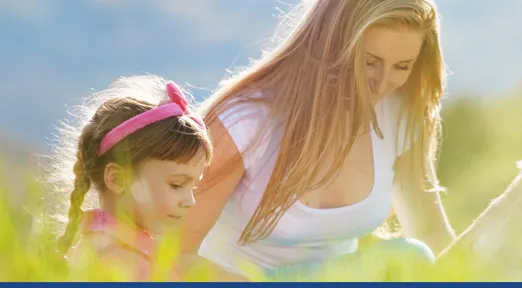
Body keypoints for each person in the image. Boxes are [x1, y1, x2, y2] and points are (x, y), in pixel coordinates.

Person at [182, 0, 455, 281]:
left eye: (402, 66)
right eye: (370, 62)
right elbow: (173, 252)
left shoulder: (400, 117)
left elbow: (430, 231)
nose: (383, 82)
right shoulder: (246, 121)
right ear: (332, 46)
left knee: (411, 260)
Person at [45, 76, 232, 281]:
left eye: (192, 187)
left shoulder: (132, 249)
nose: (190, 201)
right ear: (118, 179)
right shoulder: (117, 259)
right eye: (177, 185)